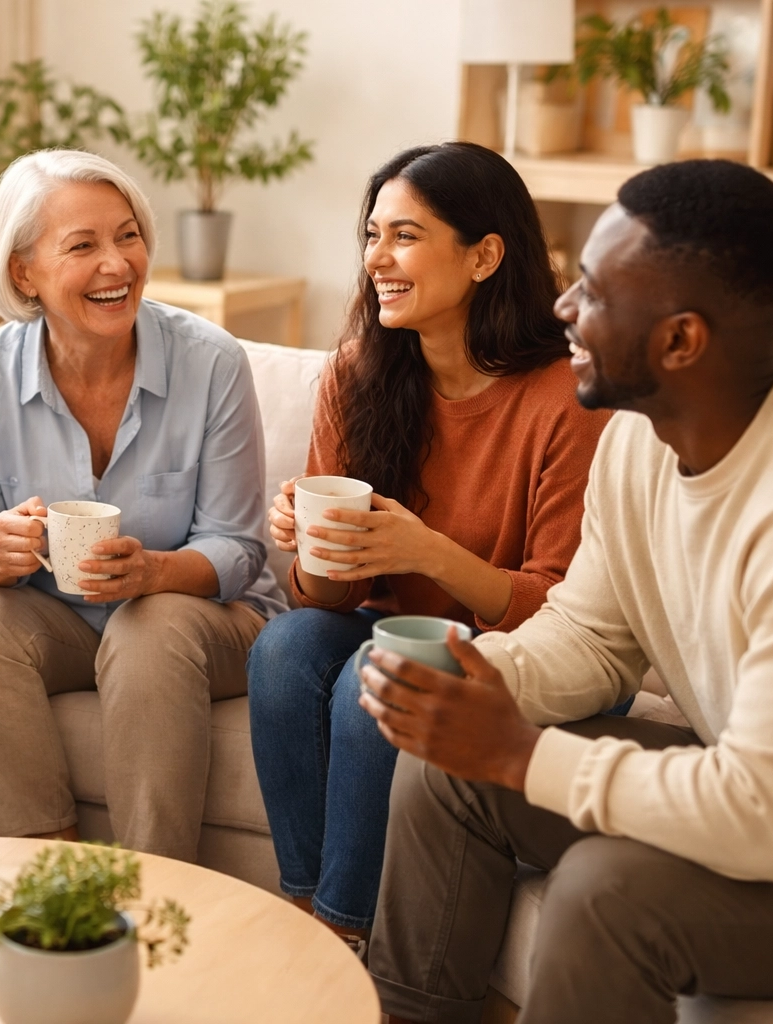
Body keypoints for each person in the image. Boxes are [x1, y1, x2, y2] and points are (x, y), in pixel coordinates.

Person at [362, 160, 773, 1024]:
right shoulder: (638, 438)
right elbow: (591, 635)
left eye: (592, 291)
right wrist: (480, 678)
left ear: (679, 341)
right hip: (762, 788)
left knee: (604, 891)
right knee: (445, 771)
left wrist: (518, 753)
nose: (562, 309)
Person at [246, 142, 610, 955]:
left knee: (379, 677)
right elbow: (325, 601)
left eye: (404, 236)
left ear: (484, 255)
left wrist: (425, 550)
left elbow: (567, 614)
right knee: (286, 645)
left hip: (519, 652)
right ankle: (304, 912)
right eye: (371, 236)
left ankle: (344, 936)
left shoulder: (565, 402)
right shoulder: (357, 375)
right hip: (388, 626)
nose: (377, 259)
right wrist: (308, 548)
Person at [0, 149, 287, 862]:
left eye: (128, 236)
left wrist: (153, 573)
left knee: (147, 629)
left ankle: (153, 887)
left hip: (206, 623)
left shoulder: (210, 361)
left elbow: (238, 551)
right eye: (83, 245)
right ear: (23, 270)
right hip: (59, 620)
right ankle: (50, 866)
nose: (118, 264)